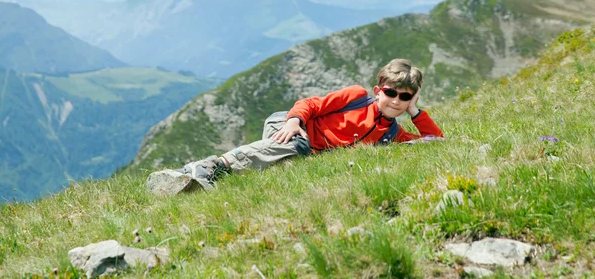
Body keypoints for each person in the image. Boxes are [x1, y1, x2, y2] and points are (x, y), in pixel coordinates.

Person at [147, 59, 443, 193]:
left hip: (300, 151)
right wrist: (293, 122)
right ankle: (213, 166)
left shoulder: (392, 135)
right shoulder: (355, 97)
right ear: (379, 90)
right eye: (391, 92)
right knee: (293, 146)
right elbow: (311, 104)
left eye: (404, 97)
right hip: (289, 125)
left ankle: (189, 177)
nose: (396, 101)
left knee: (283, 162)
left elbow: (435, 140)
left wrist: (416, 109)